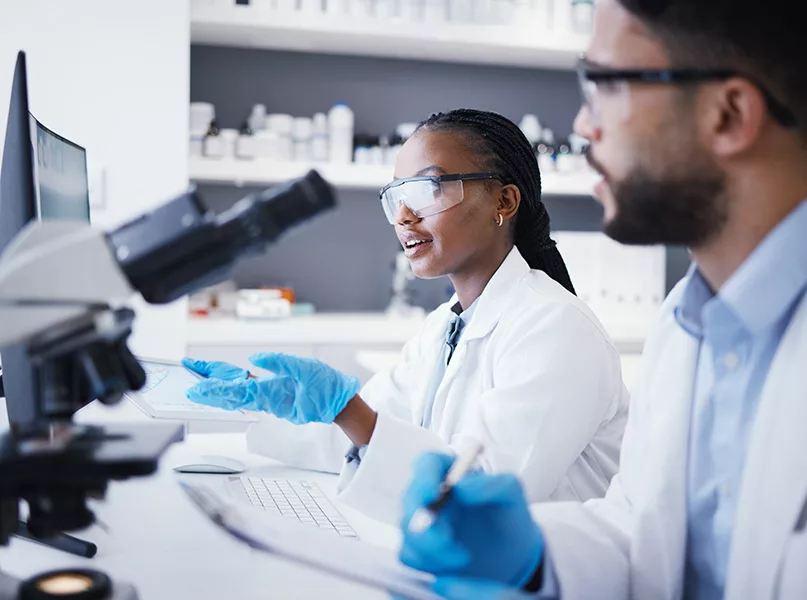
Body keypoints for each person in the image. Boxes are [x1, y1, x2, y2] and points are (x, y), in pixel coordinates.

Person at [397, 1, 807, 599]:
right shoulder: (685, 323)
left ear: (728, 114)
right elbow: (640, 534)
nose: (585, 126)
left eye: (607, 86)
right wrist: (532, 558)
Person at [183, 109, 629, 524]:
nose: (403, 216)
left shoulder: (557, 328)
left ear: (504, 201)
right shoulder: (444, 327)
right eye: (396, 195)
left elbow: (483, 491)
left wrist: (348, 410)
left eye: (428, 189)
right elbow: (360, 435)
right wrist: (264, 399)